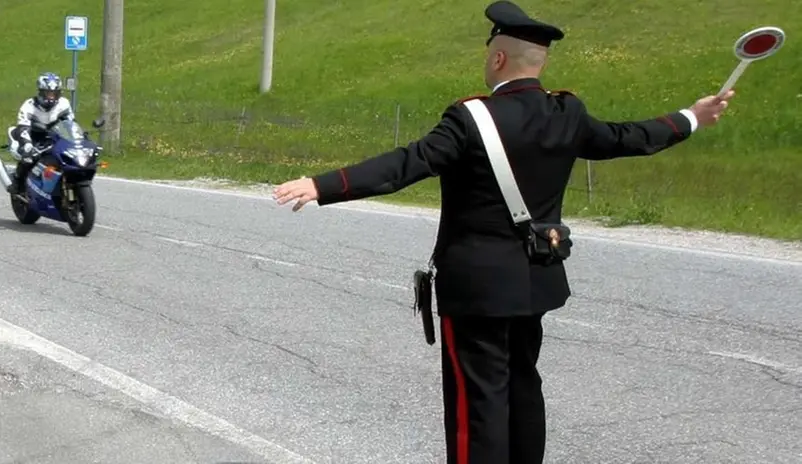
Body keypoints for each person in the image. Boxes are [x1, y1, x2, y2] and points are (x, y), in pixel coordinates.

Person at [272, 1, 734, 462]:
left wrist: (323, 185)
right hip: (536, 279)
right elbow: (627, 137)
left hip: (477, 289)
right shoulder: (567, 113)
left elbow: (407, 164)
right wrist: (691, 117)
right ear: (540, 62)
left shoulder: (471, 119)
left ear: (497, 58)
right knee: (522, 385)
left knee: (479, 402)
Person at [7, 72, 75, 195]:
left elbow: (71, 123)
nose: (52, 97)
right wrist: (27, 145)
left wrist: (77, 138)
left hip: (55, 136)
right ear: (41, 91)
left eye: (55, 93)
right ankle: (17, 182)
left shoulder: (64, 103)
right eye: (48, 93)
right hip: (33, 137)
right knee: (28, 159)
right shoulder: (29, 106)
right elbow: (23, 127)